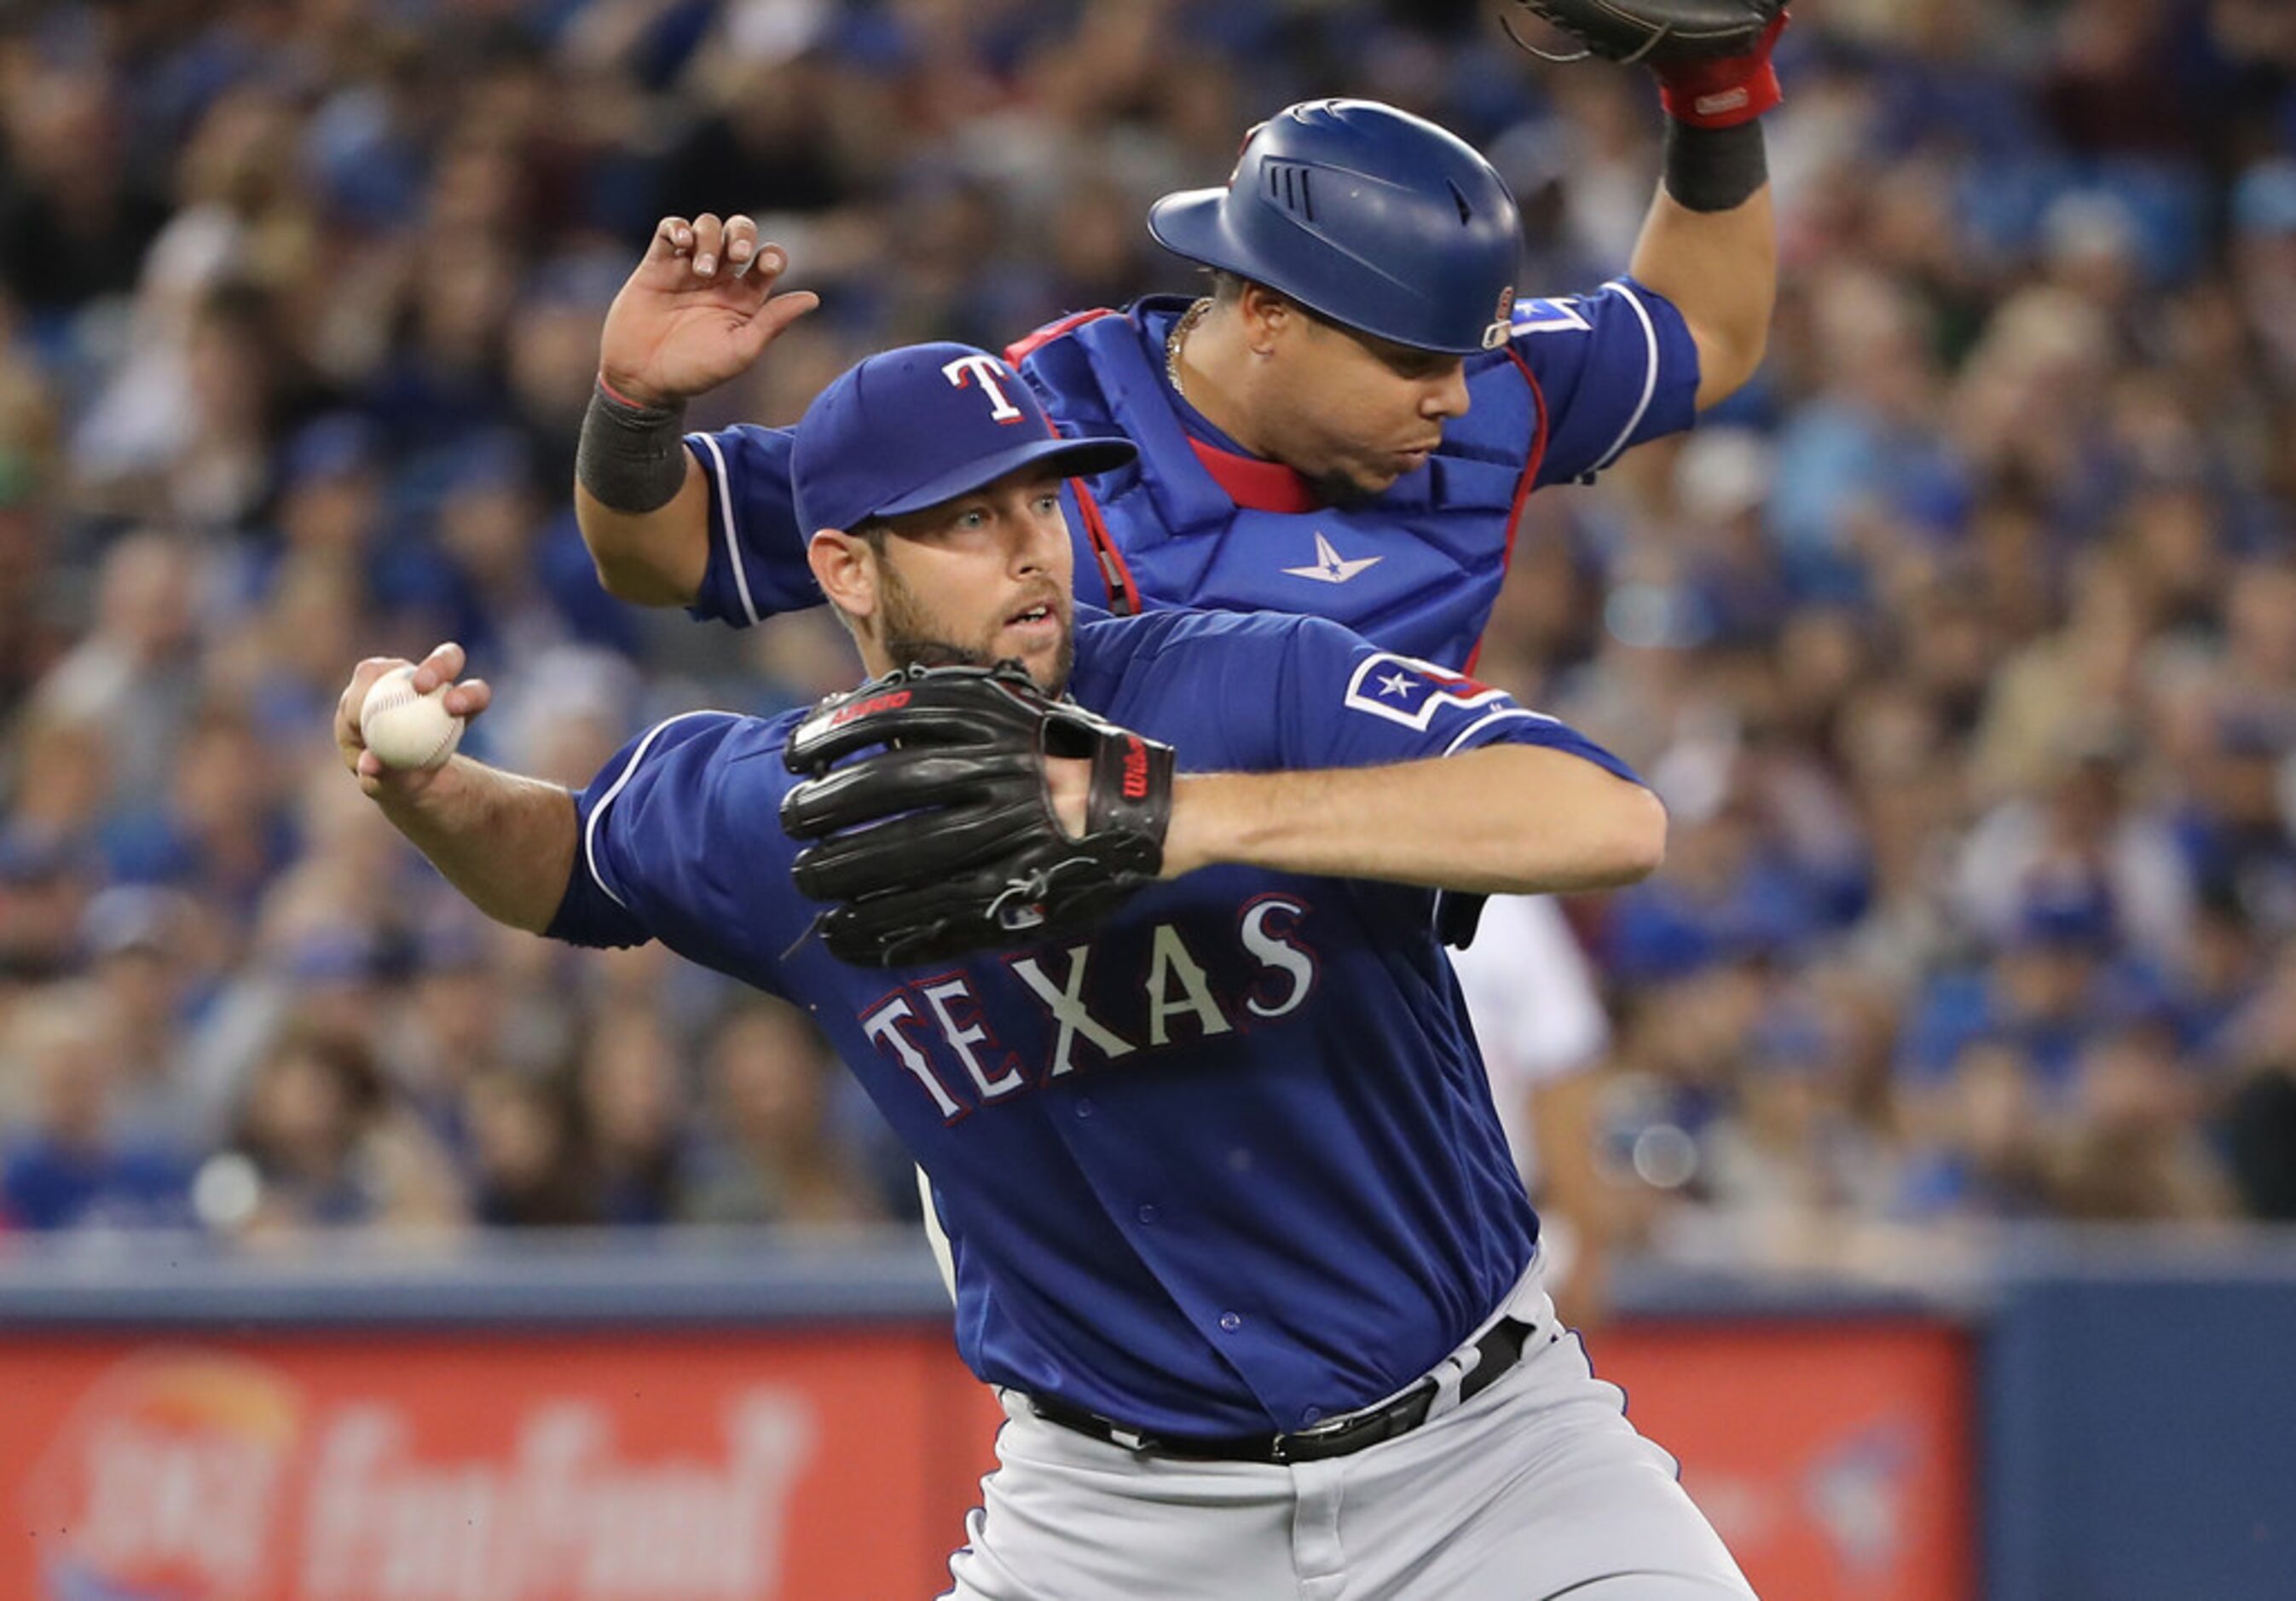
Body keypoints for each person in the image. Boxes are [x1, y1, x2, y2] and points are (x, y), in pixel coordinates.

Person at [340, 344, 1752, 1598]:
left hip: (1490, 1464)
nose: (1029, 548)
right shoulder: (782, 807)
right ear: (843, 568)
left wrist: (1182, 817)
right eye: (967, 518)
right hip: (1113, 1518)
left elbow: (1607, 816)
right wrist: (430, 794)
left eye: (1038, 501)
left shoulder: (1245, 685)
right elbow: (572, 864)